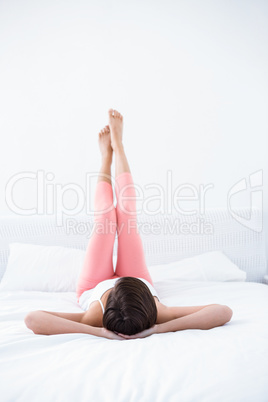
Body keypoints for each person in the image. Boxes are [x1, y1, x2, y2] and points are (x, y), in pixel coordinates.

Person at [24, 109, 233, 340]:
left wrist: (96, 330)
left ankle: (106, 158)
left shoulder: (95, 315)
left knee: (105, 218)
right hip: (138, 280)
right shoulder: (160, 313)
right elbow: (223, 311)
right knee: (126, 216)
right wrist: (160, 327)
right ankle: (118, 146)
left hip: (94, 285)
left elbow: (32, 319)